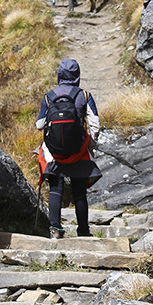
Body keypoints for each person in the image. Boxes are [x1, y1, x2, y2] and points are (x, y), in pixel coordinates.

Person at [35, 59, 101, 238]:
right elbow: (95, 124)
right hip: (78, 151)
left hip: (54, 152)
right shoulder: (84, 95)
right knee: (79, 192)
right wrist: (91, 144)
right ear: (77, 75)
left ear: (59, 75)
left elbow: (40, 125)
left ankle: (55, 230)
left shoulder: (49, 96)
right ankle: (83, 231)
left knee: (56, 189)